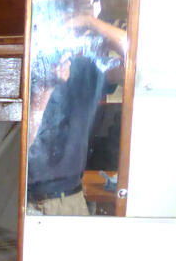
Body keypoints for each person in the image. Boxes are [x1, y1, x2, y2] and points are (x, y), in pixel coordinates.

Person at [26, 11, 127, 216]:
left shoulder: (88, 71)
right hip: (21, 196)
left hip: (69, 200)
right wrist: (48, 86)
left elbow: (139, 57)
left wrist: (90, 22)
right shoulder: (25, 71)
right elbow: (22, 146)